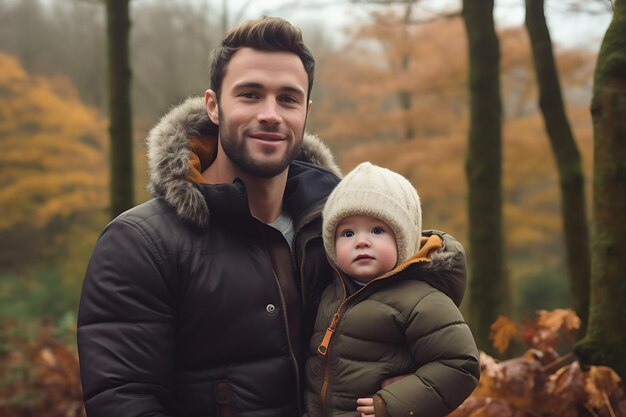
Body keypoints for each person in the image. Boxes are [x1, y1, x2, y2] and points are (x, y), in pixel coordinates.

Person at [77, 16, 468, 417]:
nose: (270, 114)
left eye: (288, 98)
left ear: (306, 111)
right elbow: (123, 399)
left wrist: (407, 388)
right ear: (213, 106)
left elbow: (418, 321)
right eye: (249, 94)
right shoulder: (141, 243)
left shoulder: (337, 235)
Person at [305, 162, 480, 417]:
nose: (361, 241)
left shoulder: (421, 299)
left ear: (403, 239)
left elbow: (460, 364)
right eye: (347, 233)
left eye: (377, 230)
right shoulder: (330, 294)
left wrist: (394, 404)